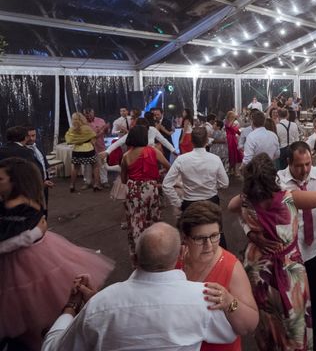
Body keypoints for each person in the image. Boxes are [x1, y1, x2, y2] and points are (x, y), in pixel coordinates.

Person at [229, 152, 316, 351]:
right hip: (286, 266)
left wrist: (251, 232)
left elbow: (231, 207)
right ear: (273, 176)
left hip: (257, 266)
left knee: (267, 316)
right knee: (293, 317)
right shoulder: (288, 198)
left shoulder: (247, 198)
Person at [41, 223, 239, 350]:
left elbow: (52, 348)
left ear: (134, 259)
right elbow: (228, 333)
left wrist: (71, 307)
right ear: (180, 255)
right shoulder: (202, 298)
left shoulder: (100, 305)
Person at [1, 158, 114, 350]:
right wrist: (34, 234)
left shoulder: (23, 207)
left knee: (36, 301)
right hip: (21, 258)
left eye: (1, 179)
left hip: (33, 258)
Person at [176, 201, 259, 351]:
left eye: (214, 236)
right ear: (185, 238)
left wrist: (229, 302)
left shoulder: (231, 267)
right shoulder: (174, 260)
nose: (209, 245)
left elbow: (250, 325)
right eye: (200, 238)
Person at [163, 127, 229, 242]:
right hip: (211, 202)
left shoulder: (182, 160)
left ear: (191, 141)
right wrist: (212, 186)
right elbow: (225, 183)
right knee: (215, 235)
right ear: (206, 141)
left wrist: (178, 203)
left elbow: (166, 184)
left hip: (190, 203)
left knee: (192, 238)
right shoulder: (215, 159)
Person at [120, 125, 171, 256]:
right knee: (153, 217)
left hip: (133, 189)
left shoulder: (126, 156)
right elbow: (168, 166)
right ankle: (154, 249)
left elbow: (124, 179)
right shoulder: (153, 151)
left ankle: (138, 252)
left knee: (136, 219)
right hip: (150, 188)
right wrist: (157, 174)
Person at [65, 112, 100, 193]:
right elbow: (94, 136)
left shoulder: (71, 129)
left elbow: (68, 140)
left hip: (77, 150)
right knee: (95, 166)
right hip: (88, 149)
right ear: (82, 118)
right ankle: (96, 184)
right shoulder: (87, 128)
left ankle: (72, 185)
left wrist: (78, 141)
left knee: (75, 168)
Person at [25, 124, 54, 213]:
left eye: (33, 135)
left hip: (45, 183)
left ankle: (44, 225)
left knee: (44, 207)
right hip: (33, 186)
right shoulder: (22, 151)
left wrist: (49, 172)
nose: (31, 138)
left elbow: (43, 161)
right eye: (28, 136)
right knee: (35, 210)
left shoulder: (38, 145)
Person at [82, 108, 110, 188]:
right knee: (87, 164)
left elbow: (106, 133)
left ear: (93, 113)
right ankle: (87, 182)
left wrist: (106, 129)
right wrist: (100, 131)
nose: (88, 116)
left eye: (90, 114)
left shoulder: (101, 120)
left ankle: (104, 181)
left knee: (102, 164)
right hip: (87, 147)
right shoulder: (83, 123)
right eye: (86, 114)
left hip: (100, 146)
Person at [224, 111, 243, 176]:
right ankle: (230, 170)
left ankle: (234, 170)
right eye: (232, 116)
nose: (233, 117)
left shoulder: (234, 123)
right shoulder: (226, 122)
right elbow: (229, 126)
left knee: (234, 155)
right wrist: (234, 119)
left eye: (233, 116)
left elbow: (238, 132)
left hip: (234, 140)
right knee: (231, 155)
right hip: (229, 140)